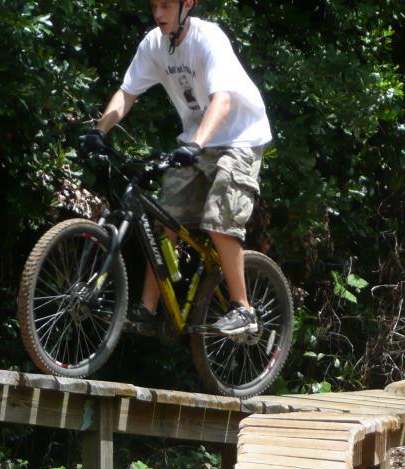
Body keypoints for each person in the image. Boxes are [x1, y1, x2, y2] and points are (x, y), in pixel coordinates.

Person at [80, 0, 271, 336]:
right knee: (164, 220)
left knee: (219, 219)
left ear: (188, 5)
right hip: (197, 139)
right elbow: (127, 93)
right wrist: (99, 131)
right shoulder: (154, 44)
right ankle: (147, 311)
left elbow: (222, 101)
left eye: (166, 5)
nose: (158, 14)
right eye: (154, 6)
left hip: (240, 138)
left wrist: (195, 144)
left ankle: (243, 309)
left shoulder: (207, 38)